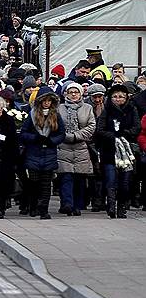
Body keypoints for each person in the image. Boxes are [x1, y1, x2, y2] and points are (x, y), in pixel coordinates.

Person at [19, 86, 65, 219]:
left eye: (49, 101)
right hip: (33, 153)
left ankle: (44, 209)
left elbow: (61, 133)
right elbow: (23, 133)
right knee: (33, 183)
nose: (47, 103)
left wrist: (52, 140)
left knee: (46, 185)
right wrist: (35, 138)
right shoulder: (32, 115)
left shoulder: (55, 115)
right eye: (44, 100)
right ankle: (33, 207)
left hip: (49, 154)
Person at [95, 84, 140, 218]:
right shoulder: (106, 110)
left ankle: (121, 208)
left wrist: (124, 133)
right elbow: (100, 129)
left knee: (125, 182)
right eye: (115, 96)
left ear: (126, 98)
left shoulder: (132, 110)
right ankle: (111, 207)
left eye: (121, 97)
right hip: (109, 150)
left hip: (127, 151)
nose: (118, 99)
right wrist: (112, 136)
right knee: (111, 180)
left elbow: (136, 127)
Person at [56, 81, 96, 216]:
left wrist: (75, 136)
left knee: (79, 179)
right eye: (70, 92)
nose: (73, 95)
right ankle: (67, 204)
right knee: (66, 177)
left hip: (81, 146)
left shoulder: (87, 108)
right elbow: (55, 124)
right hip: (63, 146)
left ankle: (77, 205)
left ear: (81, 94)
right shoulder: (59, 108)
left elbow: (91, 126)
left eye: (76, 92)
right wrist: (65, 136)